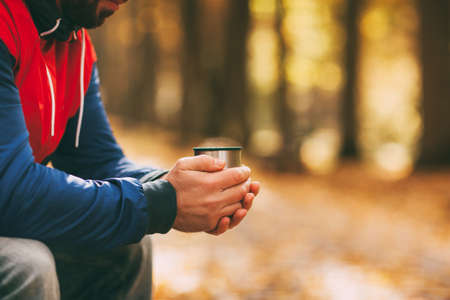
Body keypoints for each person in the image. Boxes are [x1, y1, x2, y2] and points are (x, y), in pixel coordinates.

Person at [0, 0, 260, 299]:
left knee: (125, 247)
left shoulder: (73, 44)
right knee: (27, 265)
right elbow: (10, 190)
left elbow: (98, 161)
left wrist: (182, 187)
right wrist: (163, 202)